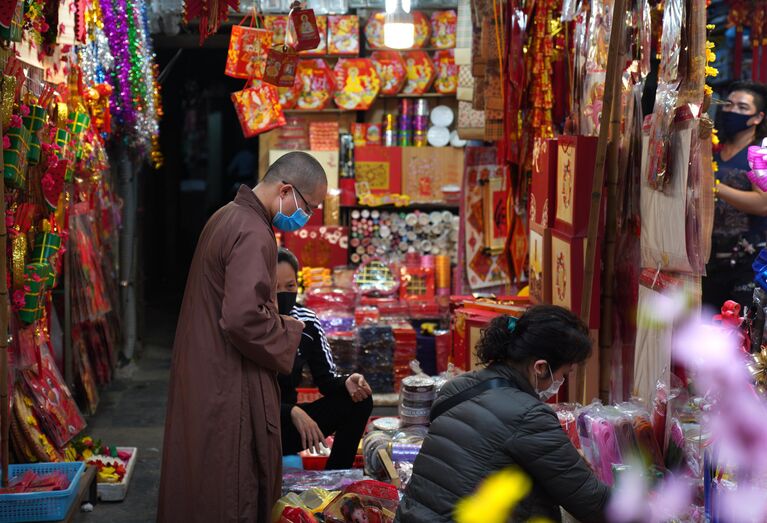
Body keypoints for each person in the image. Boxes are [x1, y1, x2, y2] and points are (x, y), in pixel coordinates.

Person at [158, 152, 328, 522]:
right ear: (286, 190)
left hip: (206, 372)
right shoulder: (253, 231)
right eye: (309, 207)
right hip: (226, 380)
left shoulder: (225, 216)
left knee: (199, 481)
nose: (306, 217)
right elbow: (242, 319)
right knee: (230, 488)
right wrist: (291, 329)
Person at [395, 306, 610, 523]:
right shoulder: (530, 416)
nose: (561, 382)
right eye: (565, 373)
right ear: (541, 368)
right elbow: (593, 504)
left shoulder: (458, 388)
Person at [276, 247, 373, 469]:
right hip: (255, 427)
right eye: (274, 287)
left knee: (359, 399)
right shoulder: (250, 323)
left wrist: (347, 380)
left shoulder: (306, 321)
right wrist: (290, 410)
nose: (283, 294)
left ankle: (336, 478)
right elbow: (243, 394)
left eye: (290, 286)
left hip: (290, 426)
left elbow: (327, 380)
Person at [705, 81, 767, 309]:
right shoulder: (712, 148)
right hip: (710, 259)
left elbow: (763, 204)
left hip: (746, 264)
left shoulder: (760, 152)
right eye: (729, 105)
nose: (732, 111)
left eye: (742, 108)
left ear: (757, 117)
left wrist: (715, 186)